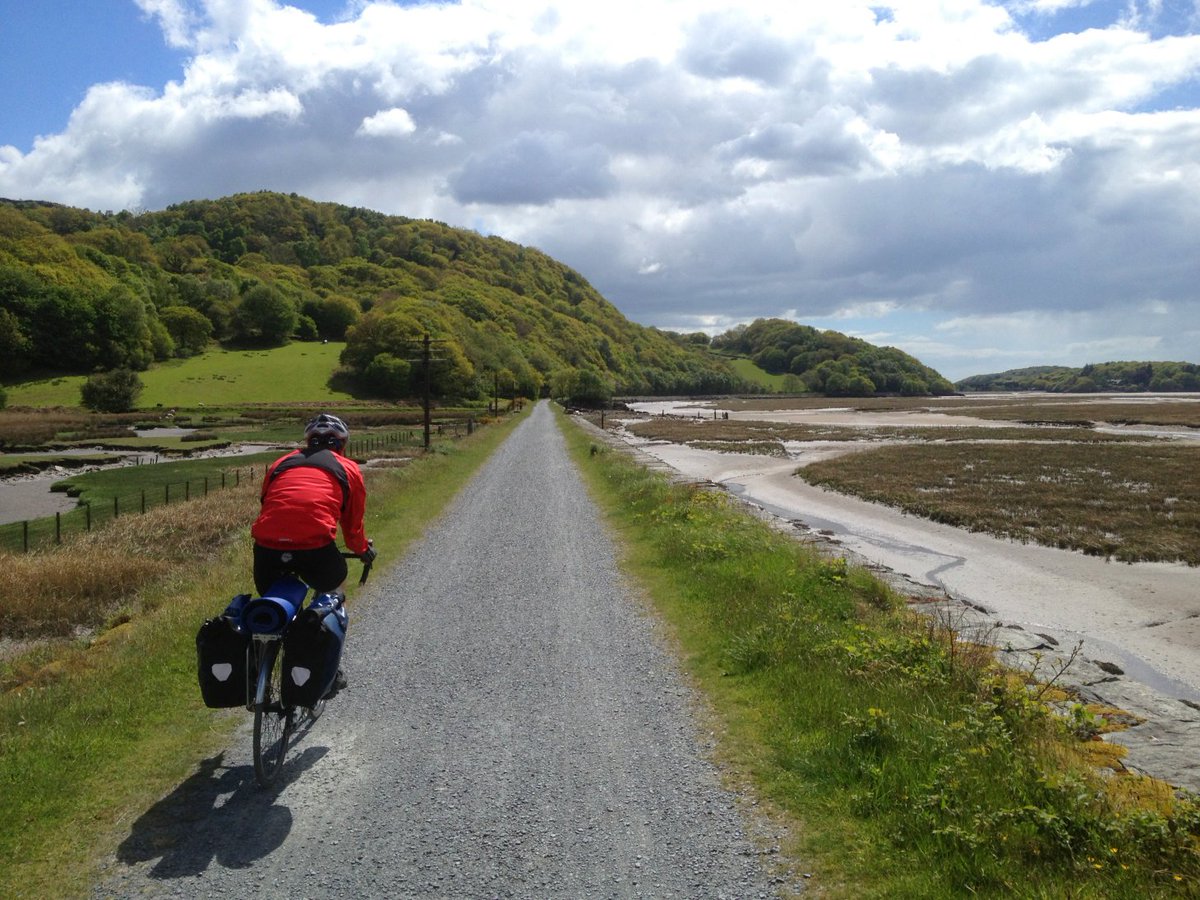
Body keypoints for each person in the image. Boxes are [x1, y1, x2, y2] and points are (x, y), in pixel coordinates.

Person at [252, 413, 376, 694]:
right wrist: (363, 551)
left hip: (267, 548)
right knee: (333, 590)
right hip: (315, 549)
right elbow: (353, 527)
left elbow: (267, 504)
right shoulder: (348, 469)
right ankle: (327, 666)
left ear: (308, 441)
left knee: (271, 607)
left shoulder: (281, 463)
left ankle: (260, 663)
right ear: (341, 445)